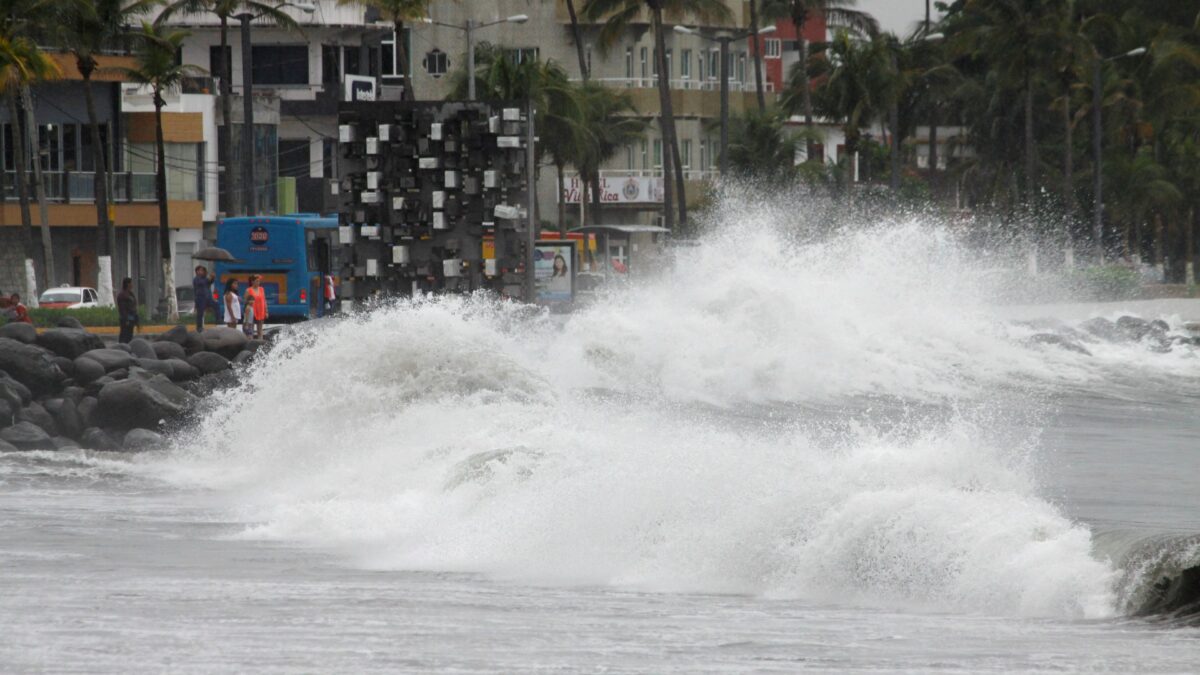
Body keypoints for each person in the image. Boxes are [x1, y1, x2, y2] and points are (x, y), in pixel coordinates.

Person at [244, 274, 267, 339]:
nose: (258, 283)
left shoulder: (261, 289)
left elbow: (264, 300)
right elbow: (246, 301)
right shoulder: (248, 290)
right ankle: (251, 344)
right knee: (251, 330)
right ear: (252, 281)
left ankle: (260, 344)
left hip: (261, 311)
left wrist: (266, 311)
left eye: (259, 281)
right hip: (252, 311)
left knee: (260, 331)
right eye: (257, 281)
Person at [192, 265, 215, 332]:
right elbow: (202, 283)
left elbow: (209, 282)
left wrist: (212, 277)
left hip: (207, 298)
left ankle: (203, 326)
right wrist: (209, 278)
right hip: (199, 298)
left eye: (203, 270)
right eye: (200, 270)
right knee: (200, 314)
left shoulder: (204, 278)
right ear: (197, 271)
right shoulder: (196, 279)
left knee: (207, 312)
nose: (201, 272)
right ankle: (199, 328)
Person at [116, 278, 137, 343]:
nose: (132, 285)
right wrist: (126, 319)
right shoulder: (122, 295)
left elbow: (133, 305)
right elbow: (122, 309)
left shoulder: (131, 294)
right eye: (131, 283)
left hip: (131, 318)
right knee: (124, 335)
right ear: (128, 284)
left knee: (130, 335)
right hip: (125, 319)